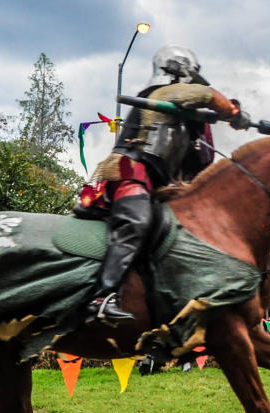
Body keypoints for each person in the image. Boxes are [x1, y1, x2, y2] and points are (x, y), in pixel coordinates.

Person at [81, 45, 251, 325]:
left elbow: (198, 165)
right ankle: (101, 298)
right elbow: (207, 96)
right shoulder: (161, 94)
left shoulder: (180, 116)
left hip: (157, 185)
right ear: (179, 74)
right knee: (137, 222)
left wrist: (203, 131)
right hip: (130, 173)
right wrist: (234, 113)